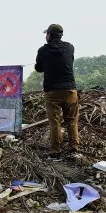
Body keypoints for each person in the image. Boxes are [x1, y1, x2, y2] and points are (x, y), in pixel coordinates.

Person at [34, 24, 79, 157]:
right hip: (70, 89)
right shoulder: (70, 47)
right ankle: (74, 145)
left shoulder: (42, 50)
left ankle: (56, 149)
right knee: (71, 119)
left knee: (55, 121)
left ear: (49, 35)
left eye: (46, 34)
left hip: (52, 91)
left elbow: (38, 68)